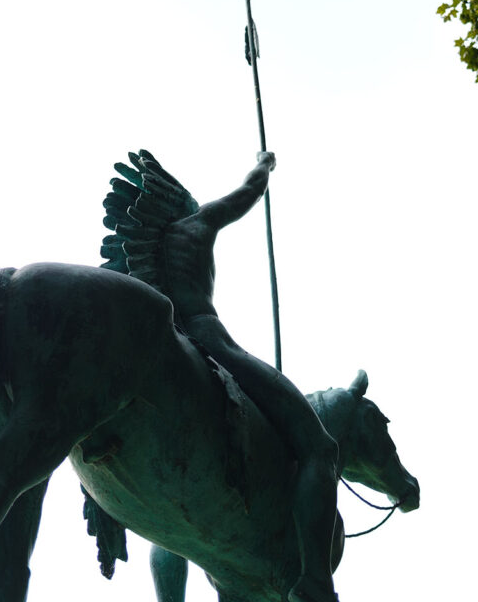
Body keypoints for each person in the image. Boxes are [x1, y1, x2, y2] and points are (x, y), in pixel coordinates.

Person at [106, 151, 341, 602]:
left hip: (167, 338)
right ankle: (314, 579)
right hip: (209, 338)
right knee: (320, 447)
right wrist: (263, 165)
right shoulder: (196, 225)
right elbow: (249, 192)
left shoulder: (148, 254)